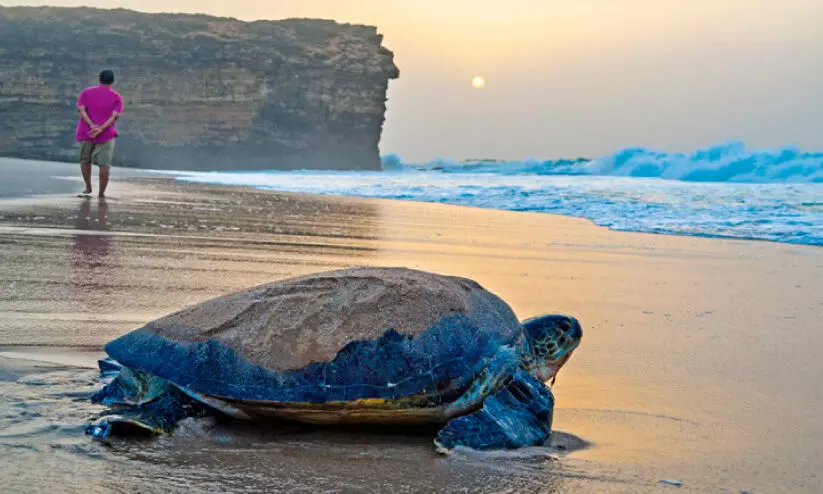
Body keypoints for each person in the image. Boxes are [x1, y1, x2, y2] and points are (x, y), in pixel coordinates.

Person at [76, 69, 123, 198]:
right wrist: (101, 129)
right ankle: (101, 193)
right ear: (112, 82)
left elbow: (81, 110)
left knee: (85, 160)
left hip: (87, 131)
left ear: (99, 79)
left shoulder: (86, 93)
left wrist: (92, 126)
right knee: (104, 164)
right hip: (106, 134)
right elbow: (114, 117)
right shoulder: (116, 97)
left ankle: (88, 187)